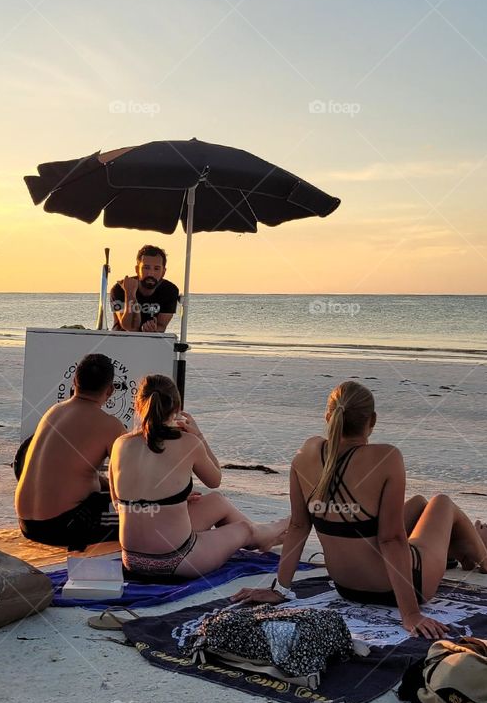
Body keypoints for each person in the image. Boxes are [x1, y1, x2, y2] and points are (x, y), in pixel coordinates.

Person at [231, 380, 487, 639]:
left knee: (419, 503)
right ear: (372, 421)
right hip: (405, 587)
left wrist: (281, 589)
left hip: (347, 587)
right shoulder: (386, 458)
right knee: (441, 502)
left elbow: (299, 527)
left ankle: (459, 551)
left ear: (328, 417)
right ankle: (485, 558)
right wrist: (410, 614)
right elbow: (391, 539)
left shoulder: (306, 454)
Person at [109, 374, 288, 579]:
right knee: (244, 528)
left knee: (216, 502)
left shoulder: (120, 444)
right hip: (176, 560)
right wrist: (198, 436)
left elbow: (118, 503)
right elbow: (215, 479)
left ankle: (262, 537)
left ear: (138, 405)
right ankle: (279, 526)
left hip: (132, 559)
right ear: (177, 408)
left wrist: (171, 501)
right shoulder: (188, 442)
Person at [16, 353, 126, 550]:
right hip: (64, 526)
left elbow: (73, 472)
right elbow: (130, 481)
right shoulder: (110, 425)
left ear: (74, 382)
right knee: (146, 512)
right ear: (110, 390)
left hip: (25, 522)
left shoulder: (54, 411)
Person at [110, 245, 179, 333]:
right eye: (146, 268)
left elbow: (162, 326)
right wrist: (130, 294)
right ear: (137, 269)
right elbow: (130, 327)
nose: (151, 273)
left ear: (163, 272)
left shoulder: (170, 291)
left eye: (156, 269)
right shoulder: (120, 289)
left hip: (151, 339)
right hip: (121, 338)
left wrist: (153, 329)